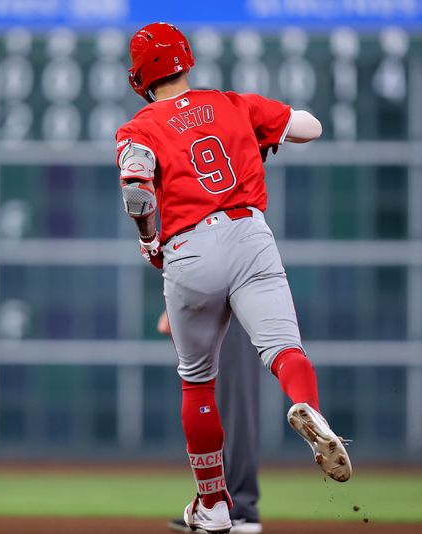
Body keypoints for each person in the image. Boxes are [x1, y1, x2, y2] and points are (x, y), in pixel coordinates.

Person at [116, 22, 352, 534]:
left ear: (140, 76)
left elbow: (136, 189)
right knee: (285, 349)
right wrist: (268, 135)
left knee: (198, 384)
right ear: (186, 59)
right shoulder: (234, 103)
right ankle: (307, 407)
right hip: (249, 235)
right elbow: (310, 127)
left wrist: (147, 239)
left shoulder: (139, 127)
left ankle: (213, 505)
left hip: (188, 249)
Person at [158, 311, 262, 533]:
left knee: (235, 406)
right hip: (213, 302)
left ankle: (240, 510)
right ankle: (218, 506)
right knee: (214, 404)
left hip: (234, 303)